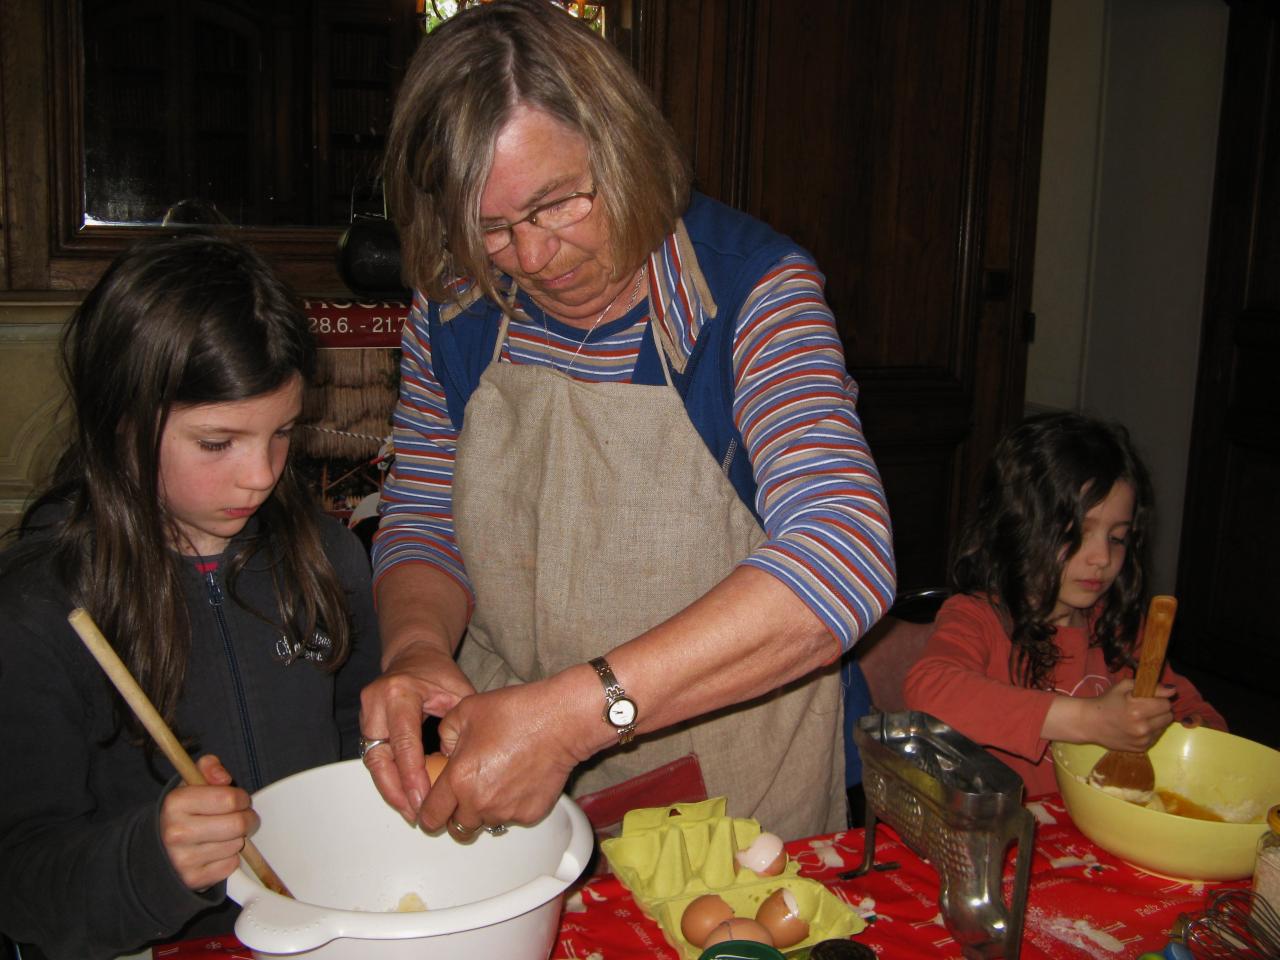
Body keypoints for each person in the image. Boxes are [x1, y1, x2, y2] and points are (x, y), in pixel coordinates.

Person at [360, 0, 895, 845]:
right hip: (507, 759)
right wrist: (417, 650)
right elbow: (426, 516)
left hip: (733, 792)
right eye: (491, 226)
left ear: (624, 148)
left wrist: (575, 718)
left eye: (558, 204)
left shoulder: (754, 297)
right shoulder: (454, 307)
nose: (532, 258)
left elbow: (844, 554)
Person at [0, 233, 382, 960]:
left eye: (282, 434)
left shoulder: (326, 556)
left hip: (326, 924)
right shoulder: (38, 613)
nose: (261, 476)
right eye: (218, 443)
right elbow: (20, 881)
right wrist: (150, 861)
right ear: (123, 422)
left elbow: (354, 734)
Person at [902, 412, 1225, 797]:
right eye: (1076, 534)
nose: (1102, 558)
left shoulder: (1120, 629)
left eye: (1118, 538)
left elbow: (1201, 718)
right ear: (1016, 528)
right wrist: (1089, 719)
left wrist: (1167, 728)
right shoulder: (979, 618)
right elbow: (928, 691)